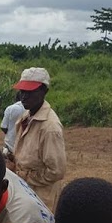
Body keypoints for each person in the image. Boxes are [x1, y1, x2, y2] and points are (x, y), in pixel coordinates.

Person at [13, 67, 66, 213]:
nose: (23, 97)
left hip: (41, 199)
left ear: (44, 91)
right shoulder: (26, 117)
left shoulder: (50, 127)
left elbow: (56, 171)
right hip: (26, 193)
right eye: (22, 92)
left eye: (29, 92)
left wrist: (22, 175)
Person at [1, 93, 25, 170]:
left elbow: (3, 127)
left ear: (15, 98)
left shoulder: (10, 108)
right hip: (25, 149)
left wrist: (10, 132)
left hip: (10, 146)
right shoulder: (32, 109)